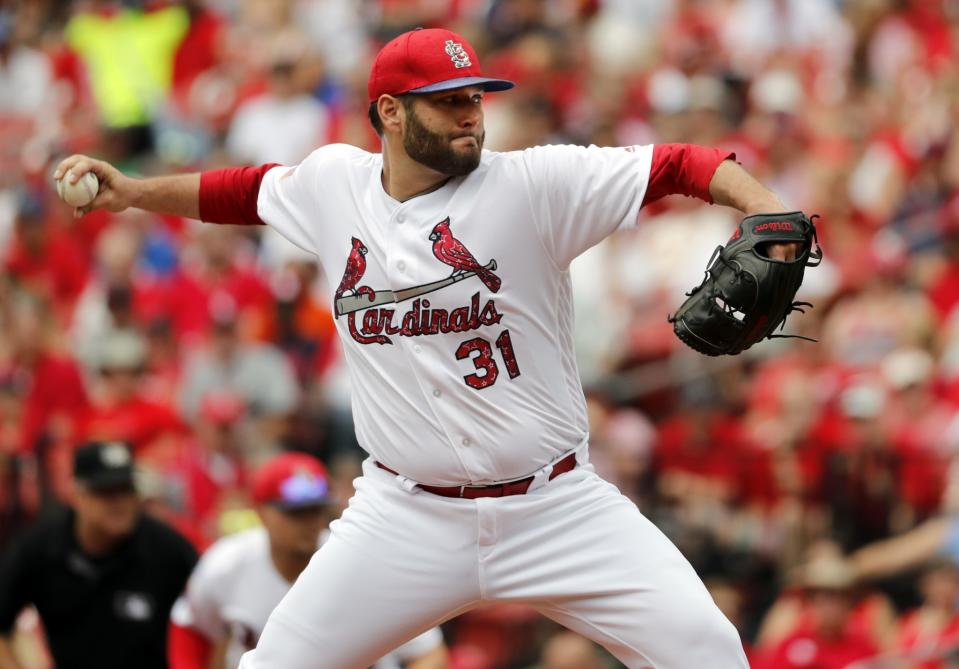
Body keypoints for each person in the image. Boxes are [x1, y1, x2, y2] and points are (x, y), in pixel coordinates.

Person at [55, 27, 804, 669]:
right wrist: (133, 191)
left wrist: (766, 209)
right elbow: (244, 191)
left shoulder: (532, 184)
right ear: (389, 111)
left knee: (708, 649)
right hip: (405, 516)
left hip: (556, 504)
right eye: (448, 101)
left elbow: (677, 163)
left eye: (474, 98)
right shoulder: (333, 185)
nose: (470, 116)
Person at [168, 451, 448, 669]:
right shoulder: (227, 563)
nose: (309, 522)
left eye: (315, 511)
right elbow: (189, 627)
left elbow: (430, 653)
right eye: (295, 512)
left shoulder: (362, 564)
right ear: (262, 512)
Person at [0, 441, 198, 669]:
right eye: (106, 492)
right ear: (77, 494)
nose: (120, 503)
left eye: (127, 490)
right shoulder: (42, 549)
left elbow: (212, 619)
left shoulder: (167, 549)